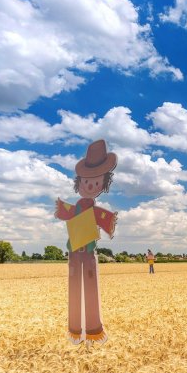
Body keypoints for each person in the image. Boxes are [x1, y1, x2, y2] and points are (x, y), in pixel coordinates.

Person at [54, 140, 118, 346]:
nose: (91, 187)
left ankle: (92, 330)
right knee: (75, 288)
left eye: (96, 184)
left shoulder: (94, 209)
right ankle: (74, 330)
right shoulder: (79, 207)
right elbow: (66, 212)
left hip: (88, 253)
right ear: (79, 182)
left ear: (103, 185)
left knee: (90, 288)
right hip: (74, 252)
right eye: (87, 183)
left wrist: (108, 221)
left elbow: (106, 220)